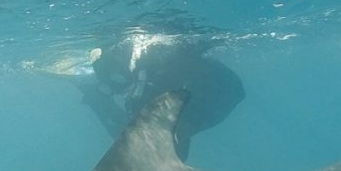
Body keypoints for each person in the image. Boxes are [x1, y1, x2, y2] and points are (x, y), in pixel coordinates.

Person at [78, 34, 245, 160]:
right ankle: (98, 100)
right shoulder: (144, 62)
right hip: (222, 91)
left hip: (220, 93)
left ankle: (97, 101)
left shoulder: (149, 66)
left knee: (138, 134)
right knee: (139, 132)